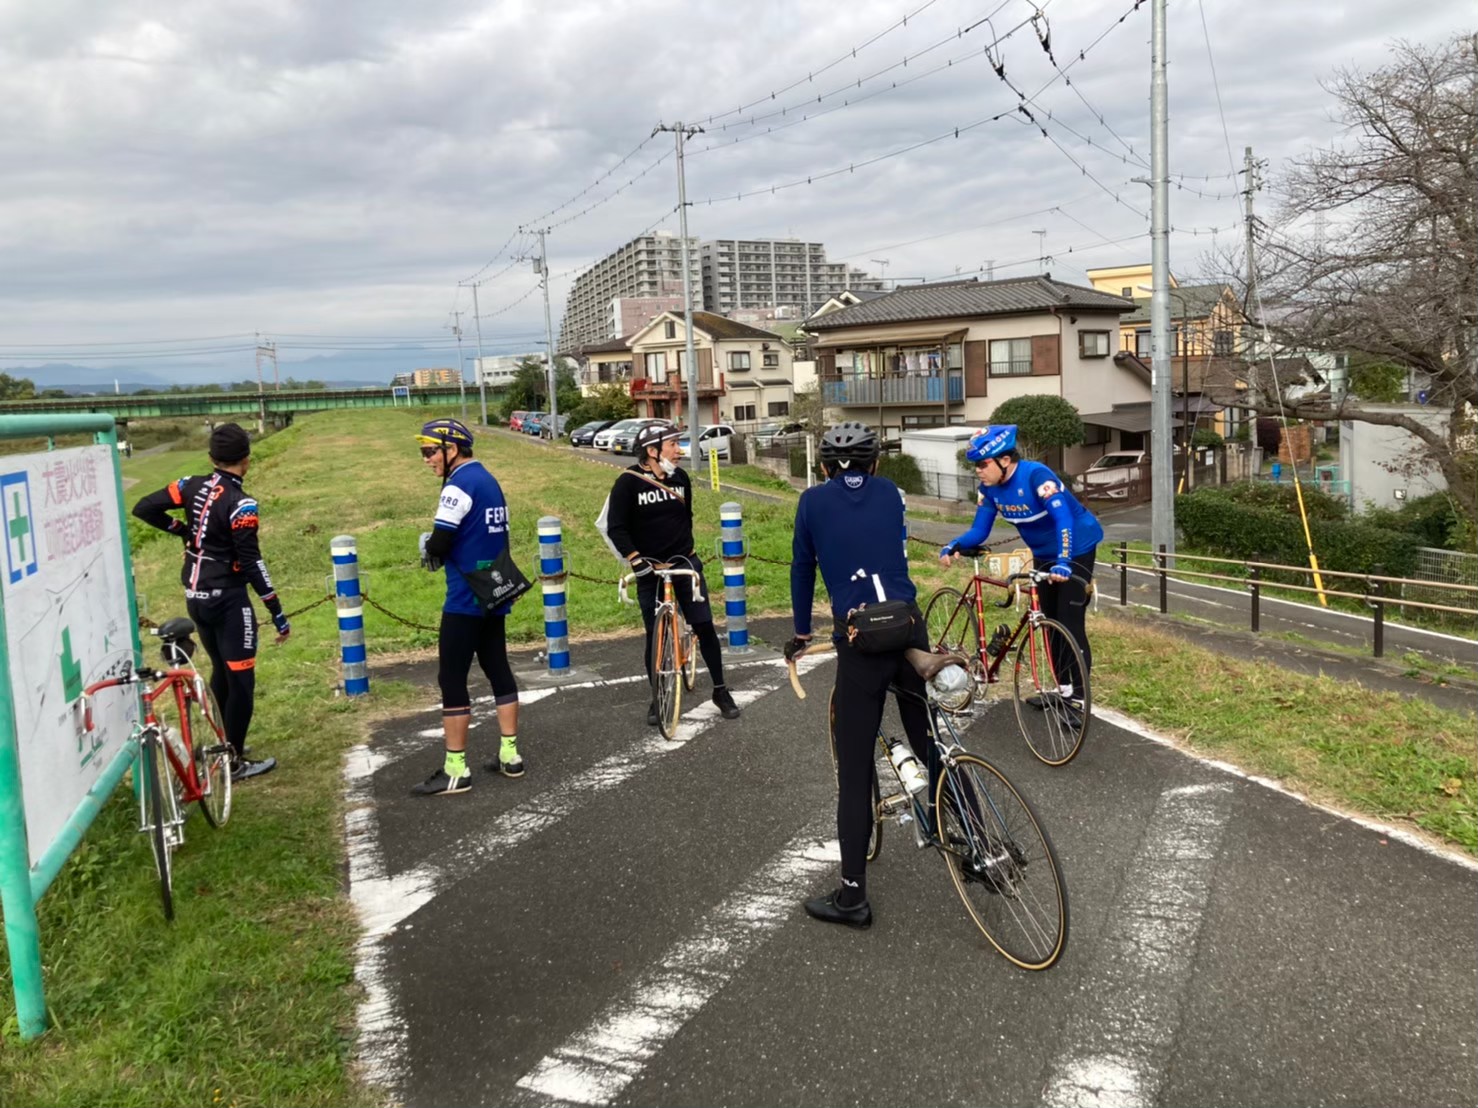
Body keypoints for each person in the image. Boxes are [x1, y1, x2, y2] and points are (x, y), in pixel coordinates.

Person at [785, 421, 933, 929]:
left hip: (860, 637)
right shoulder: (891, 493)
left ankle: (852, 897)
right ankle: (974, 836)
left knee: (854, 771)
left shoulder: (811, 502)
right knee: (929, 741)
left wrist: (801, 632)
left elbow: (802, 567)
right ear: (875, 463)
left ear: (824, 466)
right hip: (909, 625)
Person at [132, 422, 285, 782]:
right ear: (246, 459)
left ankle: (222, 746)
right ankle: (233, 762)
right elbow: (251, 562)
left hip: (196, 597)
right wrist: (276, 610)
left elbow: (144, 507)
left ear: (212, 457)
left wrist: (183, 531)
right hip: (228, 599)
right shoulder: (242, 504)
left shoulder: (189, 484)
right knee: (241, 681)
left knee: (221, 670)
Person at [938, 424, 1103, 716]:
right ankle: (1063, 690)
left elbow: (1063, 519)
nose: (978, 470)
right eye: (975, 465)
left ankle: (1078, 698)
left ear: (1005, 460)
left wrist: (1064, 562)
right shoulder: (989, 489)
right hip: (1043, 553)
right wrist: (954, 544)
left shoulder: (1037, 476)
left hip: (1076, 547)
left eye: (982, 464)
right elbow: (980, 530)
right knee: (1049, 620)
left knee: (1069, 622)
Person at [411, 417, 524, 796]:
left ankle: (455, 769)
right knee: (498, 668)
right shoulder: (489, 480)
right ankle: (510, 754)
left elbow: (440, 543)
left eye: (430, 451)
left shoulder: (457, 486)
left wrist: (427, 545)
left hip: (464, 598)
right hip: (495, 590)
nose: (426, 459)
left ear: (452, 449)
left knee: (452, 678)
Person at [604, 422, 740, 724]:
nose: (679, 451)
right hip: (649, 569)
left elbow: (685, 517)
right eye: (673, 445)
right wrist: (635, 559)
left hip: (684, 562)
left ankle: (720, 690)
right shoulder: (628, 483)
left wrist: (684, 551)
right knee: (655, 634)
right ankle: (658, 695)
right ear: (652, 451)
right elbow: (617, 527)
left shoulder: (681, 478)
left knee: (704, 626)